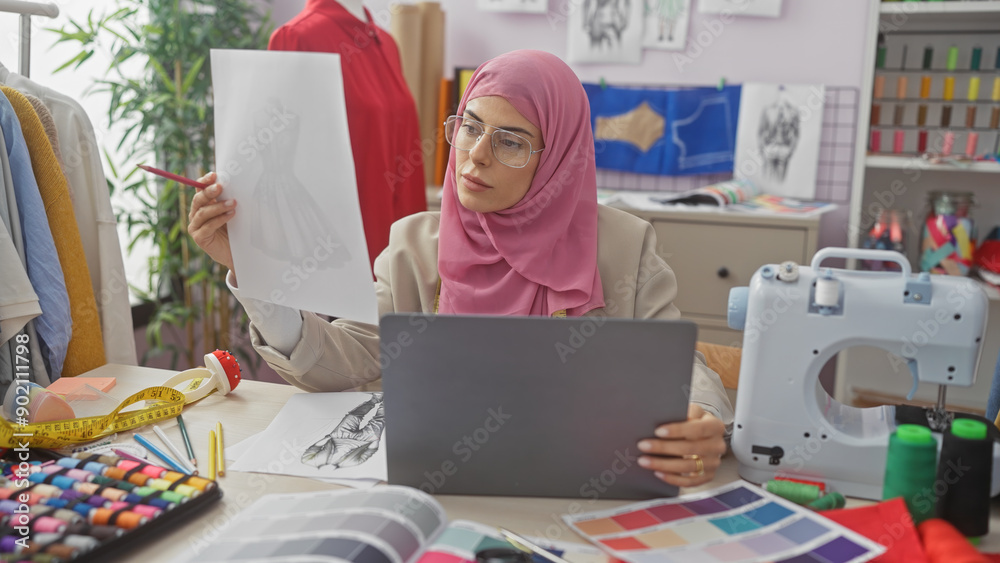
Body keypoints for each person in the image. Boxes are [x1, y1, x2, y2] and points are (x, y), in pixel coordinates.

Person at [188, 50, 733, 487]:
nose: (475, 155)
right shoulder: (415, 244)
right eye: (470, 127)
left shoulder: (624, 246)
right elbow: (347, 363)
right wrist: (251, 268)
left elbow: (678, 366)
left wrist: (704, 420)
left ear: (558, 159)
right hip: (442, 483)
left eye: (511, 142)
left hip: (574, 487)